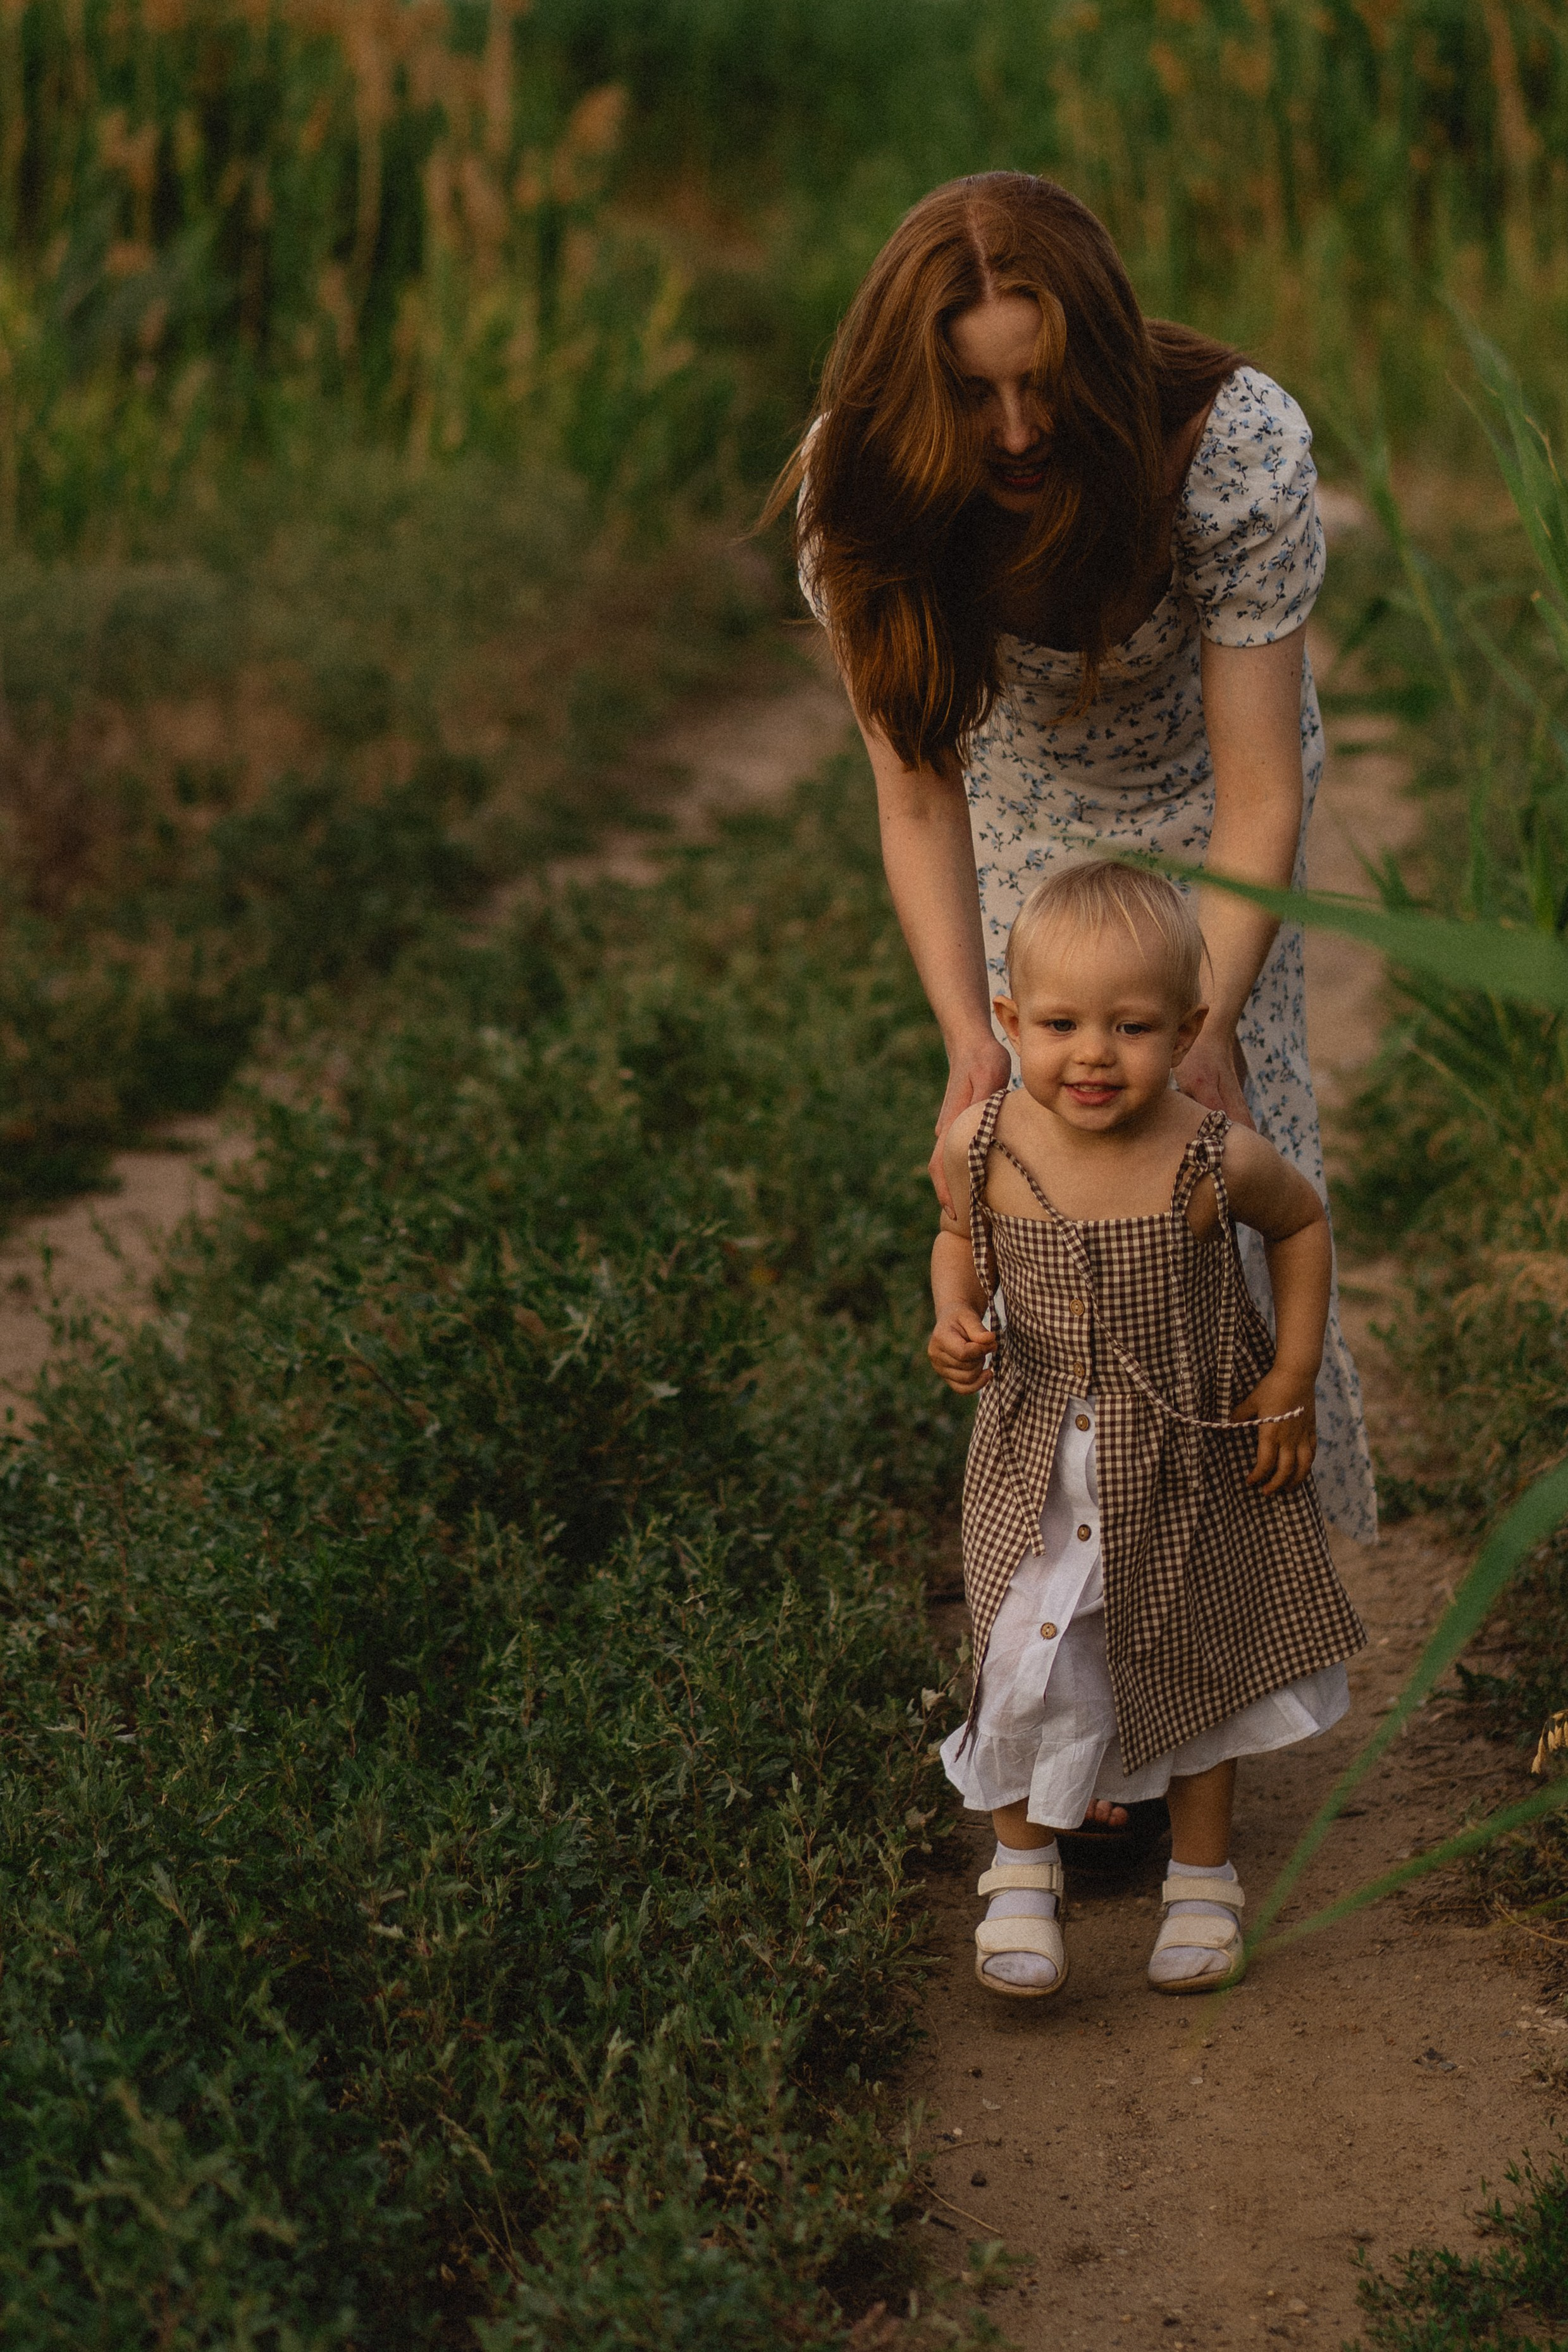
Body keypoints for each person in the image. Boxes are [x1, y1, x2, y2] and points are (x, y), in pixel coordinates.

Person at [772, 171, 1376, 1570]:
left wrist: (1209, 1028)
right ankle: (1079, 1591)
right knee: (1049, 1180)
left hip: (1217, 816)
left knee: (1218, 1162)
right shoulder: (859, 482)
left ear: (1096, 356)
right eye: (972, 395)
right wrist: (965, 1040)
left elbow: (1260, 792)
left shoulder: (1228, 446)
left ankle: (1236, 1569)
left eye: (1042, 384)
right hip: (1021, 816)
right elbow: (917, 793)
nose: (1016, 431)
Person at [928, 861, 1364, 1997]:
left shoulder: (1212, 1154)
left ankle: (1203, 1881)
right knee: (1024, 1654)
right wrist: (955, 1312)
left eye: (1130, 1027)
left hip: (1184, 1463)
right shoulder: (984, 1144)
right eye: (1061, 1024)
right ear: (1010, 1019)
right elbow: (957, 1237)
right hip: (1038, 1465)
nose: (1093, 1055)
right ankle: (1023, 1878)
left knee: (1196, 1657)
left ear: (1188, 1028)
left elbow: (1302, 1225)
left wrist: (1293, 1372)